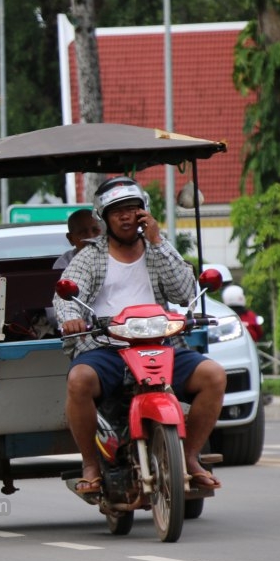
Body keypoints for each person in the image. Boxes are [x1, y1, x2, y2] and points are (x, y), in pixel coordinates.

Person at [54, 176, 225, 493]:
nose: (126, 216)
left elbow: (186, 293)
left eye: (133, 208)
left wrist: (158, 241)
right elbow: (64, 298)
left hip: (161, 344)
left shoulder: (158, 250)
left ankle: (189, 457)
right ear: (105, 218)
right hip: (107, 347)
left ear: (143, 212)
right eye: (117, 210)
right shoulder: (91, 256)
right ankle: (90, 465)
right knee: (78, 381)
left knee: (213, 375)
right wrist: (71, 319)